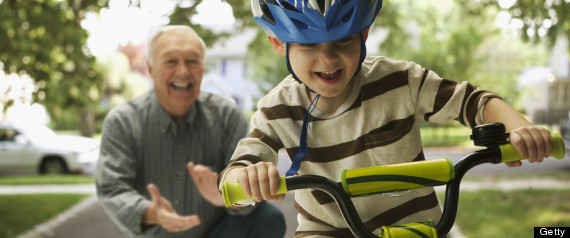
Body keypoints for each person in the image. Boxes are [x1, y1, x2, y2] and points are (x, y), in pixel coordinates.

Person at [218, 0, 553, 237]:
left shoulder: (401, 81)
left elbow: (473, 101)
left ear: (363, 34)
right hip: (329, 232)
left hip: (420, 228)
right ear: (279, 42)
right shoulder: (276, 109)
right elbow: (234, 175)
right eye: (309, 45)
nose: (328, 58)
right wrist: (247, 177)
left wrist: (520, 129)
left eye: (343, 39)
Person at [95, 25, 286, 238]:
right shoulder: (122, 122)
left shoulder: (227, 116)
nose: (183, 71)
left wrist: (227, 195)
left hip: (216, 233)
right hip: (157, 235)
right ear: (150, 69)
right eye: (171, 61)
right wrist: (151, 213)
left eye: (192, 61)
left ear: (202, 69)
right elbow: (112, 189)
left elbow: (250, 193)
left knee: (268, 218)